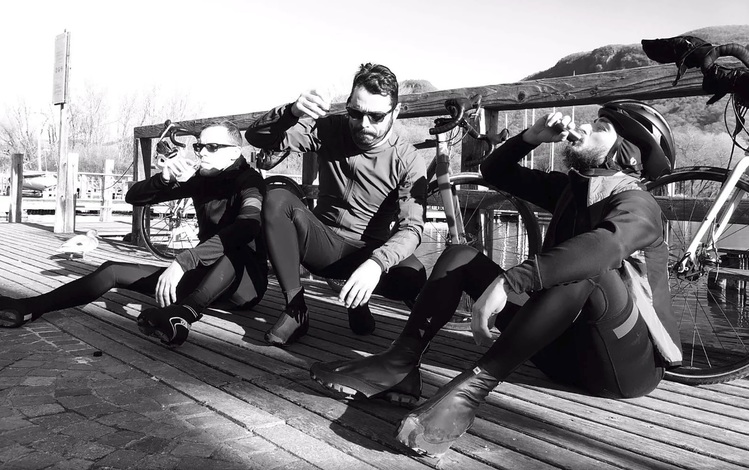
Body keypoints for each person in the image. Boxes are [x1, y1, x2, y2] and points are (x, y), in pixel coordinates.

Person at [310, 100, 682, 457]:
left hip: (624, 368)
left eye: (600, 126)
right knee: (460, 256)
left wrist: (509, 282)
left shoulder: (638, 204)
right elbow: (495, 172)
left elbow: (605, 246)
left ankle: (470, 392)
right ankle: (400, 363)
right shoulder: (571, 190)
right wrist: (530, 138)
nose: (584, 126)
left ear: (627, 151)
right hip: (560, 354)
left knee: (589, 268)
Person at [0, 120, 268, 347]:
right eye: (199, 146)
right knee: (112, 269)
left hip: (243, 285)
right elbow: (133, 197)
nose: (202, 153)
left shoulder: (250, 181)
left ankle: (184, 314)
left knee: (236, 243)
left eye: (212, 147)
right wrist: (164, 179)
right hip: (204, 276)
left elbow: (248, 226)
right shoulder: (201, 179)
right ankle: (31, 307)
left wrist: (183, 261)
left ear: (234, 153)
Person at [245, 63, 427, 346]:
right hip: (322, 243)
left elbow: (412, 228)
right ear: (349, 105)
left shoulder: (409, 160)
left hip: (366, 251)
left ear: (396, 111)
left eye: (376, 116)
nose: (364, 124)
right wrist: (291, 111)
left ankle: (358, 301)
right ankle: (296, 309)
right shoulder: (329, 129)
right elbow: (256, 137)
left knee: (413, 276)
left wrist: (377, 263)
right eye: (355, 113)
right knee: (276, 197)